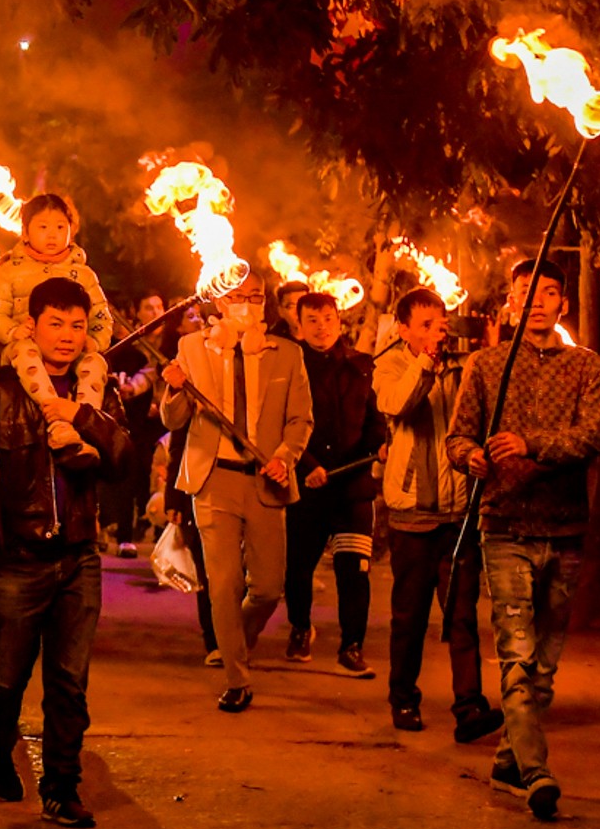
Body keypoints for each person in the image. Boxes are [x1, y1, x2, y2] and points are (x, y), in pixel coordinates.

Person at [0, 278, 133, 829]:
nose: (69, 336)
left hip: (79, 557)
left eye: (79, 325)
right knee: (5, 679)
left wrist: (80, 417)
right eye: (57, 323)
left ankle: (61, 786)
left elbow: (124, 456)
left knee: (69, 682)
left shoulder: (94, 387)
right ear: (32, 326)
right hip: (16, 559)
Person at [447, 259, 600, 819]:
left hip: (565, 527)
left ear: (563, 303)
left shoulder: (588, 368)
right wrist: (470, 456)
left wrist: (530, 443)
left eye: (547, 293)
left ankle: (506, 759)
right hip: (505, 526)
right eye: (526, 292)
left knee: (545, 664)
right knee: (515, 655)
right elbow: (458, 435)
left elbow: (594, 434)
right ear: (512, 302)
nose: (537, 301)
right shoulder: (487, 365)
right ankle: (537, 770)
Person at [159, 270, 313, 713]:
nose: (248, 304)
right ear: (219, 303)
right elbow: (172, 420)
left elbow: (301, 419)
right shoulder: (193, 347)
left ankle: (235, 643)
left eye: (257, 297)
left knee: (266, 587)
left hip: (266, 478)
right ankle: (236, 677)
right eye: (239, 297)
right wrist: (174, 387)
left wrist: (284, 457)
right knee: (223, 584)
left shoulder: (286, 354)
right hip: (213, 478)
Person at [374, 286, 502, 742]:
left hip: (458, 510)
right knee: (409, 615)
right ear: (404, 328)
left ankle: (469, 706)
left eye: (440, 322)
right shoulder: (389, 365)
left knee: (462, 614)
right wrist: (426, 360)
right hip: (412, 511)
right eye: (424, 325)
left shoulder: (464, 367)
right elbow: (398, 405)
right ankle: (403, 697)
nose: (436, 331)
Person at [284, 291, 386, 678]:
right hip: (306, 487)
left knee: (354, 569)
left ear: (339, 321)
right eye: (312, 319)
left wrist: (380, 445)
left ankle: (352, 646)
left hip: (352, 488)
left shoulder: (362, 366)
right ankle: (299, 626)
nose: (321, 326)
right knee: (298, 567)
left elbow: (375, 419)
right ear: (300, 324)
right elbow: (282, 420)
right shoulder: (290, 366)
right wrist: (305, 464)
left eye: (328, 318)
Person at [0, 193, 113, 456]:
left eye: (60, 227)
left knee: (95, 362)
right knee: (26, 352)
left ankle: (83, 427)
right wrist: (14, 331)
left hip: (72, 354)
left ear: (71, 231)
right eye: (43, 227)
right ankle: (60, 423)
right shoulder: (10, 271)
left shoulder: (83, 274)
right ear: (25, 232)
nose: (52, 235)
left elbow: (101, 318)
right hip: (22, 350)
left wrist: (93, 342)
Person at [103, 292, 168, 558]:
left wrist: (136, 389)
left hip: (147, 427)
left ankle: (157, 533)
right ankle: (120, 532)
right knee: (122, 479)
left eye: (158, 307)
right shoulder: (105, 351)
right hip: (116, 426)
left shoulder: (146, 353)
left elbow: (149, 375)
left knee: (149, 478)